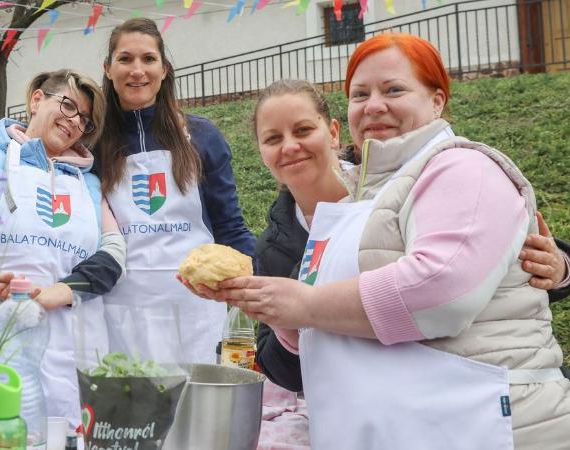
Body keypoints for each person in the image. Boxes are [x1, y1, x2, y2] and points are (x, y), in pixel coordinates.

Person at [192, 34, 570, 448]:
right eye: (360, 94)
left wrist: (300, 303)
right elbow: (325, 332)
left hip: (475, 424)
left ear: (437, 100)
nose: (373, 105)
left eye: (394, 90)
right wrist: (276, 312)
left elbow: (441, 291)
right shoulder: (362, 199)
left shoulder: (462, 168)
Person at [248, 80, 570, 393]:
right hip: (369, 409)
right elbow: (285, 373)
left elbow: (483, 262)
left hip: (476, 392)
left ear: (333, 132)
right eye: (273, 138)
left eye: (303, 130)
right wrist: (284, 318)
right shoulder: (273, 247)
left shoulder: (404, 180)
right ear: (261, 152)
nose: (290, 146)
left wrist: (561, 268)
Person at [0, 69, 123, 431]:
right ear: (37, 100)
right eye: (68, 106)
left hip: (69, 349)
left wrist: (63, 291)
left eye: (85, 120)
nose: (74, 122)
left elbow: (113, 255)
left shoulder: (89, 183)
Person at [95, 18, 255, 364]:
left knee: (197, 411)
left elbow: (229, 227)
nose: (137, 70)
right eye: (125, 59)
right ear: (108, 69)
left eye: (148, 59)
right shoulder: (90, 144)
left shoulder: (202, 136)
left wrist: (275, 283)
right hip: (120, 308)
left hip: (196, 307)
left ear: (164, 69)